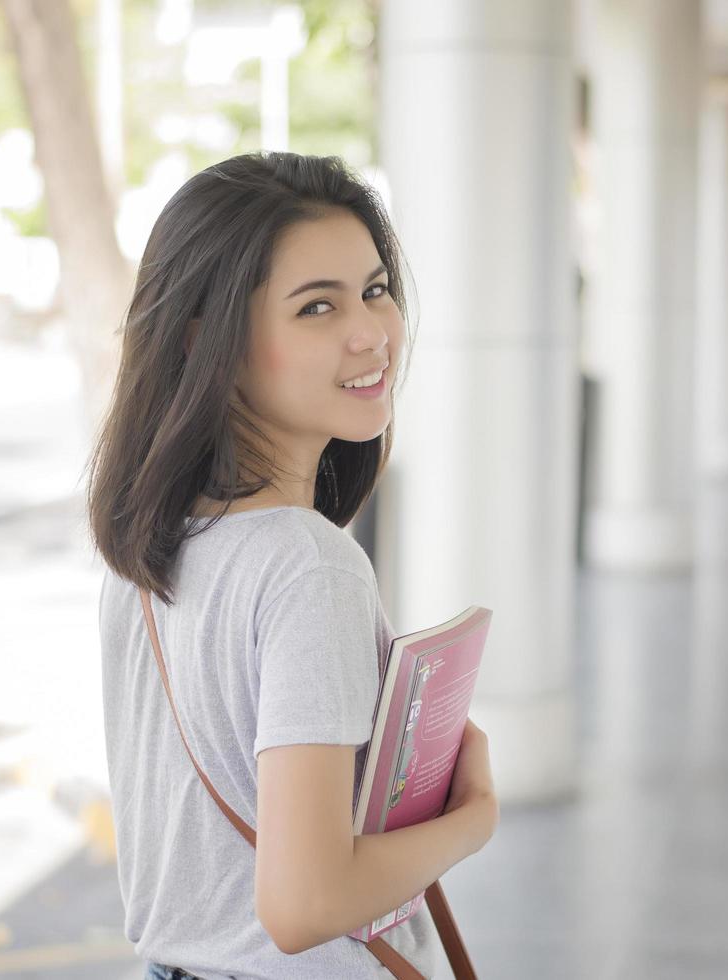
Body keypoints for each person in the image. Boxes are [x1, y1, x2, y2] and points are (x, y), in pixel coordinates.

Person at [84, 151, 499, 979]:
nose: (370, 332)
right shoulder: (308, 566)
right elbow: (304, 907)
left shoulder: (146, 552)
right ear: (214, 342)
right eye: (316, 307)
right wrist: (472, 816)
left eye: (376, 290)